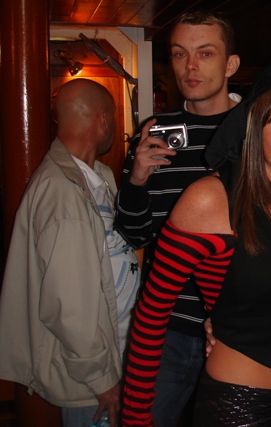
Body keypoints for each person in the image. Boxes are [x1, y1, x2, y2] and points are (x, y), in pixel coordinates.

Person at [122, 60, 271, 426]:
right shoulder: (210, 199)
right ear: (254, 124)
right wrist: (135, 421)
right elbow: (150, 316)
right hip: (239, 408)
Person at [114, 9, 241, 426]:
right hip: (164, 326)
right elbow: (134, 233)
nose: (190, 66)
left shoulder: (258, 131)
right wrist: (136, 181)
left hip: (233, 327)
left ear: (230, 64)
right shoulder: (155, 130)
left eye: (205, 53)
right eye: (179, 54)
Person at [0, 79, 140, 427]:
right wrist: (102, 380)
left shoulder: (93, 178)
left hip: (113, 363)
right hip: (95, 386)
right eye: (113, 118)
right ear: (103, 119)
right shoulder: (62, 193)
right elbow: (69, 305)